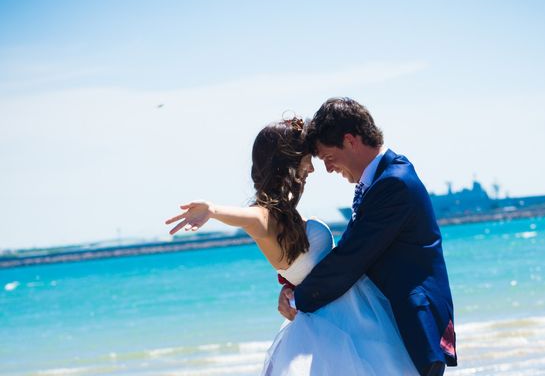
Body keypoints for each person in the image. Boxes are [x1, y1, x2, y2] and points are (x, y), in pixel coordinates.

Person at [165, 117, 419, 375]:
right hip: (332, 324)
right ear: (286, 161)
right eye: (307, 159)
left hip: (352, 313)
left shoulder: (285, 215)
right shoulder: (266, 218)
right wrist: (213, 210)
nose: (312, 169)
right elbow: (252, 219)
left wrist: (291, 286)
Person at [278, 98, 457, 376]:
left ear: (350, 140)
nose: (328, 169)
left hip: (412, 322)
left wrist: (299, 299)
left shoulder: (393, 183)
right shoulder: (383, 177)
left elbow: (353, 257)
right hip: (390, 323)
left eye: (328, 158)